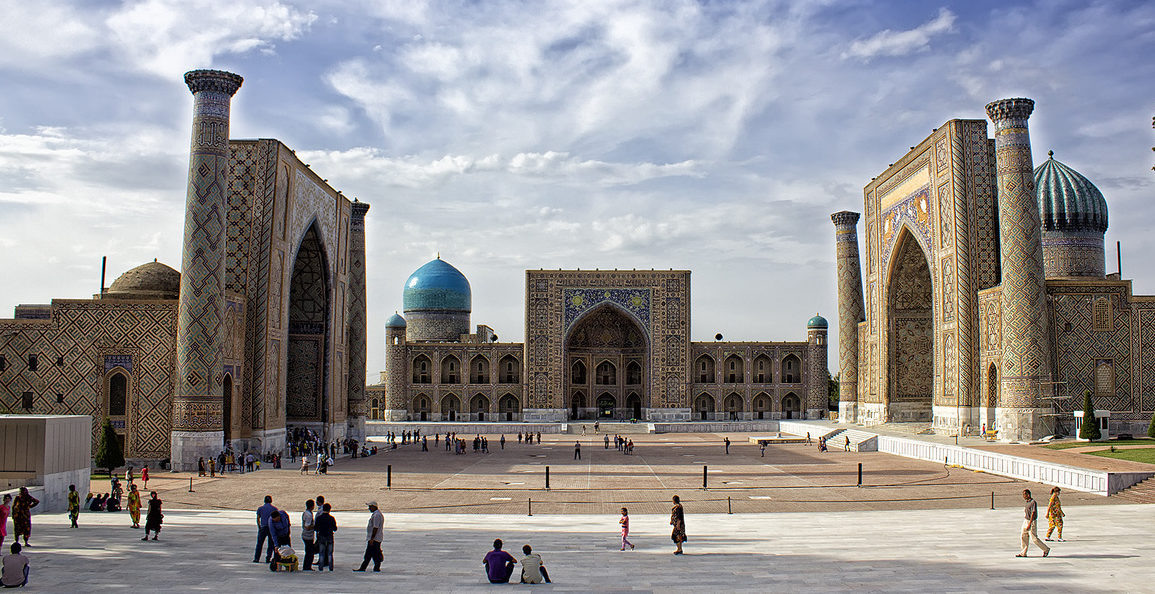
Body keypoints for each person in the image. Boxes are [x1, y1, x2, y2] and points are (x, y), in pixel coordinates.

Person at [1016, 489, 1050, 557]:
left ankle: (1046, 549)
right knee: (1024, 535)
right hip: (1026, 520)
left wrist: (1030, 524)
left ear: (1028, 495)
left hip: (1031, 521)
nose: (1023, 496)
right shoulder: (1027, 502)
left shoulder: (1033, 502)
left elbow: (1033, 513)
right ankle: (1023, 553)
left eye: (1024, 494)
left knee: (1034, 538)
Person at [354, 501, 384, 572]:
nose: (369, 508)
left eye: (370, 507)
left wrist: (372, 539)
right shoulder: (376, 514)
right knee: (370, 554)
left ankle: (373, 567)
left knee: (373, 554)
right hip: (375, 538)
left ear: (374, 507)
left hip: (375, 539)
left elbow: (375, 527)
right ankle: (365, 567)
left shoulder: (377, 515)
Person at [314, 502, 337, 571]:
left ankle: (321, 566)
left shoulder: (319, 518)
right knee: (330, 553)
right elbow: (335, 528)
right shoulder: (331, 518)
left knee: (321, 552)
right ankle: (330, 566)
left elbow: (316, 528)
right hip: (329, 536)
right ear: (329, 509)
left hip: (321, 536)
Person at [253, 495, 277, 563]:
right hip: (271, 527)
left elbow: (258, 518)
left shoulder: (260, 508)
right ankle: (268, 558)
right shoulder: (274, 509)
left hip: (263, 527)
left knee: (259, 543)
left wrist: (259, 526)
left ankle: (256, 558)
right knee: (271, 544)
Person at [301, 499, 317, 570]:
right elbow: (307, 526)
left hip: (305, 535)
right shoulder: (309, 515)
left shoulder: (305, 513)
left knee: (308, 551)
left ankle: (307, 565)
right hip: (308, 536)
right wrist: (314, 526)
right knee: (310, 552)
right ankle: (307, 566)